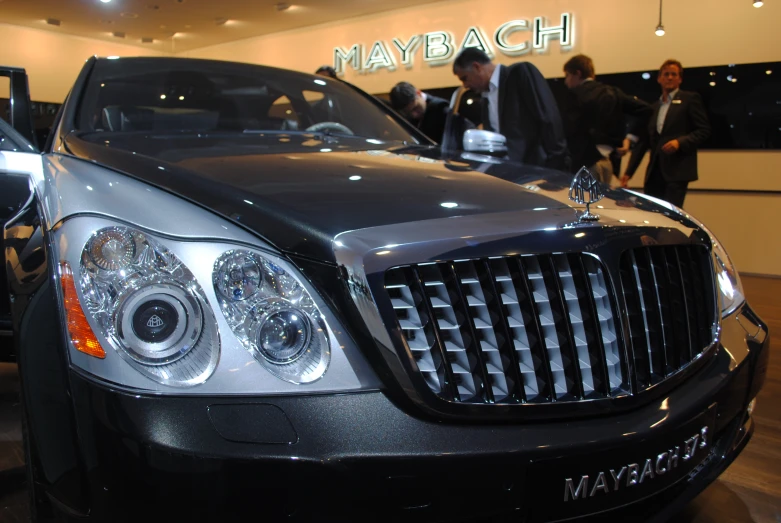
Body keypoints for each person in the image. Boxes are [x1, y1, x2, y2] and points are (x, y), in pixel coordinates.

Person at [451, 47, 569, 170]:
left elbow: (548, 117)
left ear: (477, 67)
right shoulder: (485, 98)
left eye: (465, 78)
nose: (465, 85)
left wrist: (556, 165)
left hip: (537, 169)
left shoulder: (520, 73)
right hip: (508, 174)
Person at [620, 59, 711, 208]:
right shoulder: (654, 107)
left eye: (674, 74)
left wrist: (679, 142)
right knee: (653, 214)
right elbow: (643, 142)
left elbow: (704, 130)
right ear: (659, 78)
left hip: (677, 171)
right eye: (666, 74)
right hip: (655, 172)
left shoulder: (689, 99)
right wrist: (629, 172)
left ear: (680, 79)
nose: (669, 77)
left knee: (672, 216)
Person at [561, 54, 652, 184]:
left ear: (577, 73)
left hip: (583, 163)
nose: (566, 81)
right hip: (609, 163)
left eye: (567, 76)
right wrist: (629, 137)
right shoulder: (613, 93)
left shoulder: (574, 95)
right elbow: (646, 110)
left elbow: (569, 130)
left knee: (582, 203)